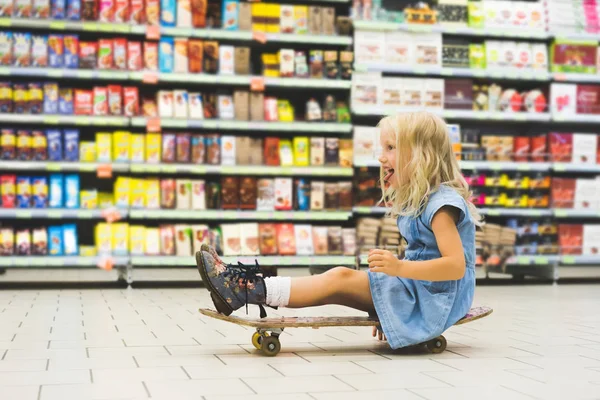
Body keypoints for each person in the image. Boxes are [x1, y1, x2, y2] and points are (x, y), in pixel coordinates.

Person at [196, 111, 482, 350]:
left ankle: (246, 289)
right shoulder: (421, 199)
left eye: (391, 148)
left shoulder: (442, 206)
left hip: (437, 298)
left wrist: (398, 268)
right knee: (340, 280)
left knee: (340, 278)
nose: (382, 158)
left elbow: (455, 266)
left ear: (422, 155)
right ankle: (243, 288)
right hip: (421, 288)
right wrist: (385, 302)